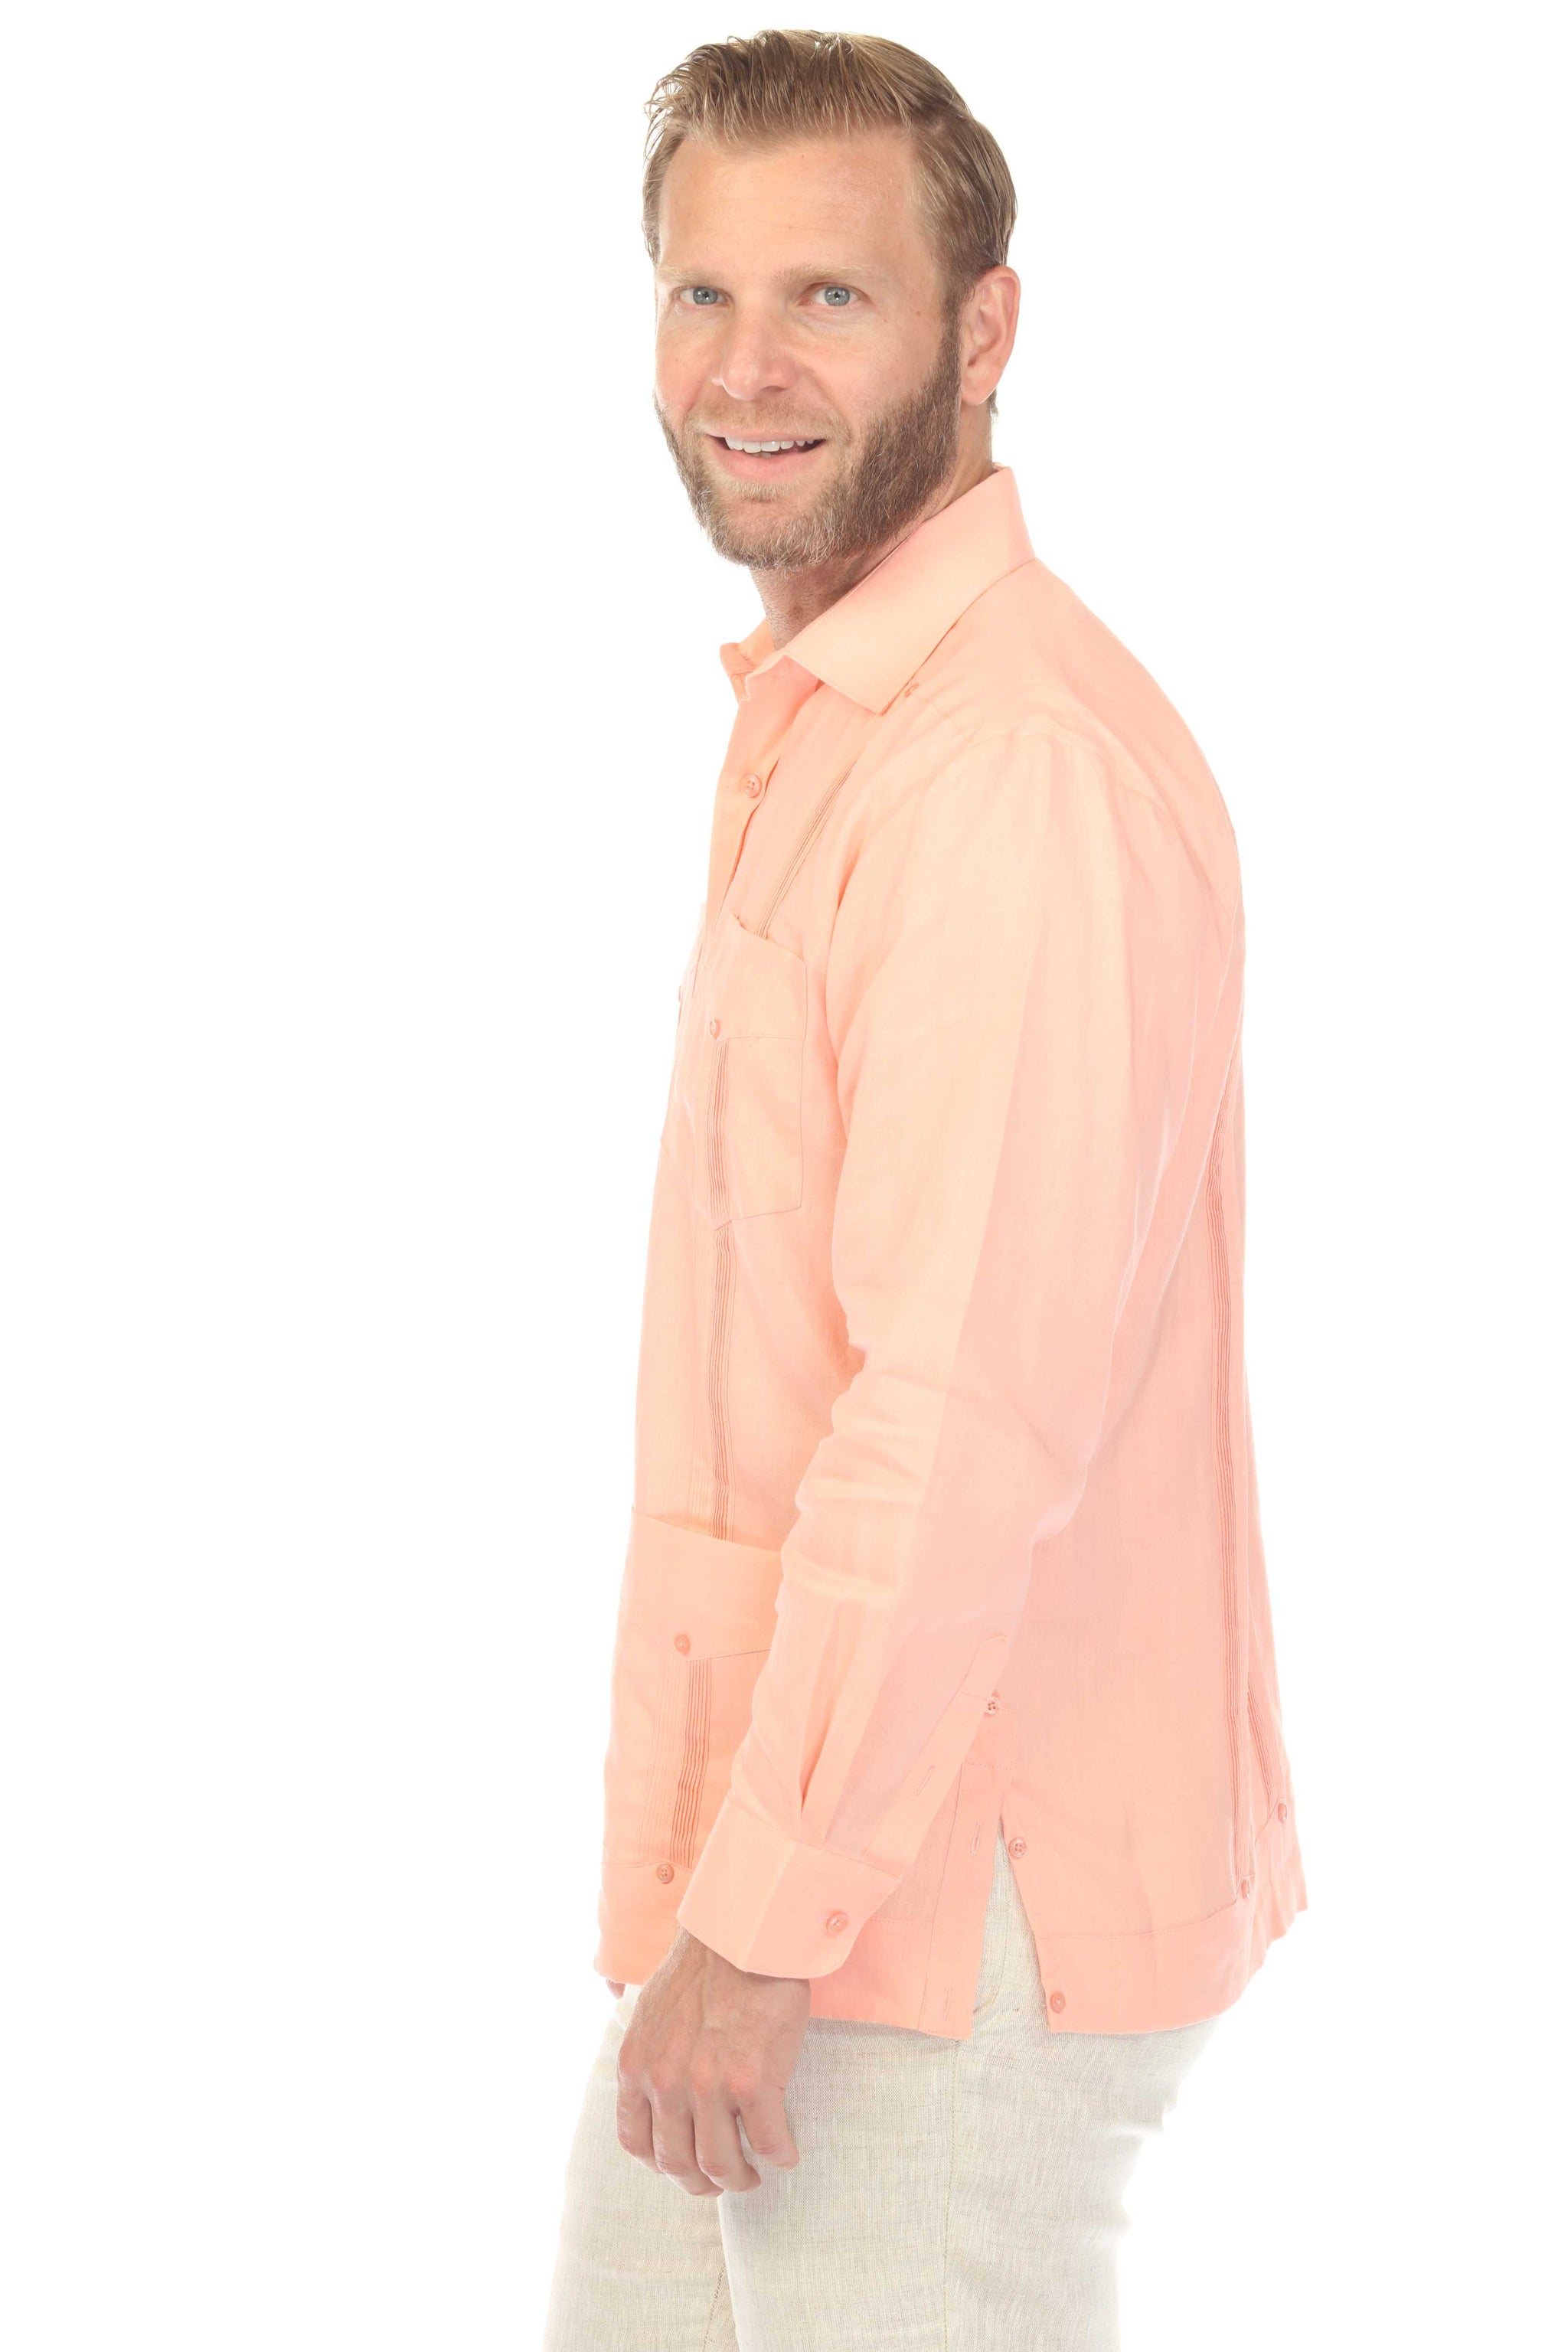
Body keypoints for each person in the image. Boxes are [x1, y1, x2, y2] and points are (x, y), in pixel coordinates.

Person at [544, 28, 1306, 2350]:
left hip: (932, 1902)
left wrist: (761, 1921)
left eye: (830, 298)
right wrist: (730, 1898)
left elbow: (960, 1419)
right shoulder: (843, 728)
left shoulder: (1007, 775)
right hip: (797, 1855)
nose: (744, 368)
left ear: (984, 332)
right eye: (701, 294)